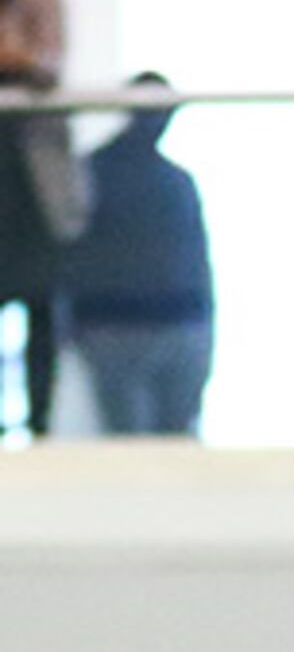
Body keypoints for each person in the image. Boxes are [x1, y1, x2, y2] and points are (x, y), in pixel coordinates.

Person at [63, 79, 211, 438]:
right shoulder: (91, 172)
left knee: (171, 444)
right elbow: (72, 252)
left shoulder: (177, 180)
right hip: (111, 325)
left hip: (177, 326)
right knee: (131, 448)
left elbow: (197, 264)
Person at [0, 0, 77, 443]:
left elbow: (47, 66)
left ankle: (40, 424)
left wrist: (16, 58)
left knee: (40, 301)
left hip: (30, 174)